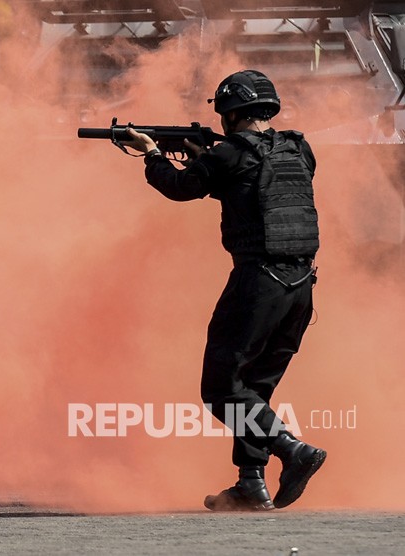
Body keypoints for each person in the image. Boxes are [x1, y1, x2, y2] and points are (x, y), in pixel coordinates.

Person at [122, 70, 326, 511]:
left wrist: (152, 153)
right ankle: (250, 483)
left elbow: (179, 188)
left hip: (259, 283)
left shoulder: (230, 153)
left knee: (220, 388)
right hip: (301, 287)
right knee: (254, 387)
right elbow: (251, 191)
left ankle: (293, 451)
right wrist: (205, 157)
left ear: (231, 113)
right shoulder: (298, 149)